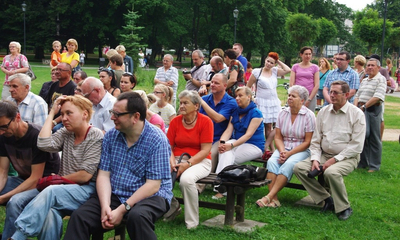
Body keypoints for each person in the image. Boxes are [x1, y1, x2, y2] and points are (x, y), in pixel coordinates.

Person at [64, 92, 172, 239]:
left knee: (137, 217)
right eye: (112, 112)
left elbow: (153, 185)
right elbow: (104, 174)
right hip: (117, 192)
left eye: (117, 114)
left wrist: (121, 210)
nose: (112, 117)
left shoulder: (156, 139)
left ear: (135, 117)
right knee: (79, 217)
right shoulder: (110, 136)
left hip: (151, 195)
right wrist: (105, 207)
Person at [10, 95, 103, 240]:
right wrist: (52, 113)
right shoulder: (67, 133)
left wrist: (56, 179)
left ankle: (17, 236)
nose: (64, 118)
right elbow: (43, 144)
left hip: (87, 190)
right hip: (64, 188)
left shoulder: (95, 135)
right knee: (50, 213)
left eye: (69, 113)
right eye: (62, 114)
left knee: (51, 190)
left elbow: (85, 175)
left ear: (85, 114)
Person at [293, 81, 366, 221]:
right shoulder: (323, 112)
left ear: (346, 95)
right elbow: (315, 140)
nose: (331, 95)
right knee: (299, 168)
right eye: (330, 92)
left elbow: (356, 145)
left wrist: (334, 160)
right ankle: (326, 199)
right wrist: (315, 159)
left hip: (347, 157)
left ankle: (344, 207)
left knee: (331, 172)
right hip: (324, 155)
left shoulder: (357, 114)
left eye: (335, 93)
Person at [0, 100, 60, 240]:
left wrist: (2, 197)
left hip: (44, 185)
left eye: (4, 127)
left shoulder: (36, 136)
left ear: (17, 117)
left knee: (15, 202)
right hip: (23, 179)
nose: (1, 132)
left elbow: (35, 179)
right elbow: (2, 172)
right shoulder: (3, 136)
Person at [255, 85, 315, 208]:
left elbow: (307, 142)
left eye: (293, 96)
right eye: (289, 95)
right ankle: (274, 199)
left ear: (302, 100)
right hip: (284, 147)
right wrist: (282, 151)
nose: (289, 98)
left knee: (288, 164)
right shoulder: (282, 113)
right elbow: (278, 137)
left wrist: (289, 154)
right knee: (272, 162)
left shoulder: (309, 115)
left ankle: (268, 197)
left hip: (301, 149)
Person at [166, 90, 213, 229]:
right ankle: (174, 206)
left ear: (196, 106)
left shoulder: (206, 122)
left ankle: (192, 223)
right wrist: (172, 162)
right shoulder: (175, 122)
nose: (181, 106)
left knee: (186, 181)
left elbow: (205, 150)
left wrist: (187, 164)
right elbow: (169, 147)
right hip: (176, 158)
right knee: (155, 174)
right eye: (180, 103)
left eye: (185, 103)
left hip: (201, 160)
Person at [214, 87, 265, 199]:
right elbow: (228, 130)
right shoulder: (236, 111)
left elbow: (248, 135)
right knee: (224, 152)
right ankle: (223, 185)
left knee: (229, 156)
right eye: (236, 96)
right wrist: (222, 143)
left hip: (253, 145)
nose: (237, 98)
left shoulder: (256, 113)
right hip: (237, 142)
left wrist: (231, 145)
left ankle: (221, 185)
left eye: (240, 95)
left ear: (249, 97)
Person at [247, 52, 291, 153]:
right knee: (267, 126)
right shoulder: (257, 72)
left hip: (274, 102)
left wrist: (278, 60)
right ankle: (271, 148)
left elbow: (288, 70)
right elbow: (248, 86)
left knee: (280, 123)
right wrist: (251, 97)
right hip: (262, 102)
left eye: (271, 62)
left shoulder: (275, 71)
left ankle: (267, 145)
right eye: (268, 61)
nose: (269, 64)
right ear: (265, 60)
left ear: (274, 64)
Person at [199, 73, 237, 173]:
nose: (212, 85)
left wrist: (202, 102)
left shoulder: (230, 102)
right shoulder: (205, 99)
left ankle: (203, 182)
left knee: (211, 153)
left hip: (219, 138)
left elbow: (218, 118)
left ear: (225, 86)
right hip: (202, 137)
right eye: (211, 82)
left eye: (216, 83)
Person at [354, 58, 386, 172]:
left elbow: (378, 96)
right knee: (363, 136)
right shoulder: (365, 80)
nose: (370, 67)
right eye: (368, 65)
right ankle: (363, 163)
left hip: (373, 109)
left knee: (374, 138)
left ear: (378, 67)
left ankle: (374, 166)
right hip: (361, 109)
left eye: (373, 65)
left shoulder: (381, 79)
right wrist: (356, 107)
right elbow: (358, 94)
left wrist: (364, 107)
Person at [44, 63, 77, 131]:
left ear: (69, 72)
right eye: (56, 69)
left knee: (55, 129)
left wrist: (54, 122)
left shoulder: (73, 88)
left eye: (60, 70)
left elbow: (71, 111)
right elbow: (48, 103)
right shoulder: (54, 85)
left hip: (63, 120)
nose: (57, 72)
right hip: (50, 116)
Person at [289, 46, 319, 112]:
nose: (308, 56)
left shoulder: (315, 67)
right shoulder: (295, 67)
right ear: (301, 55)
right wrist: (294, 95)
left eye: (309, 54)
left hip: (310, 96)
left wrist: (309, 99)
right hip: (297, 96)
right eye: (306, 54)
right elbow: (291, 83)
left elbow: (316, 85)